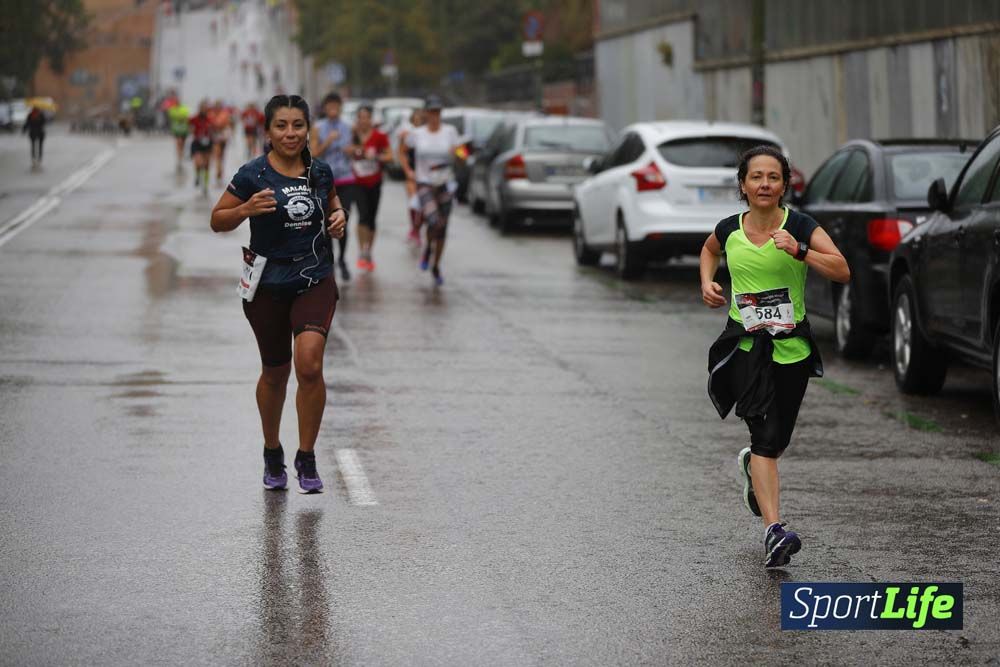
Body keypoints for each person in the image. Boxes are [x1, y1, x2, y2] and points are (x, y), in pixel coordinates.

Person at [701, 145, 850, 568]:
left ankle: (752, 466)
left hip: (792, 351)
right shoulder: (730, 227)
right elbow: (709, 249)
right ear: (743, 185)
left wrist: (800, 250)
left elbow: (842, 269)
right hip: (747, 348)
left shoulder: (800, 225)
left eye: (773, 177)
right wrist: (707, 283)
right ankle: (774, 531)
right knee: (766, 439)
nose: (764, 184)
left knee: (776, 441)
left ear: (784, 184)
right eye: (756, 177)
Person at [209, 94, 348, 494]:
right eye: (281, 126)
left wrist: (339, 217)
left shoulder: (319, 173)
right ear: (268, 131)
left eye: (298, 126)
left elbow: (335, 206)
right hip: (267, 285)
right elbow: (218, 220)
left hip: (314, 278)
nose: (290, 133)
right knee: (275, 372)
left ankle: (306, 456)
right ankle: (273, 451)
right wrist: (245, 209)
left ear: (308, 129)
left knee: (309, 365)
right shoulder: (252, 175)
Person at [399, 96, 460, 286]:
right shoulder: (417, 133)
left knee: (443, 226)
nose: (435, 116)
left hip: (445, 183)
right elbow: (401, 150)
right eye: (432, 112)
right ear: (426, 113)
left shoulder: (450, 131)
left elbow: (458, 153)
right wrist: (408, 170)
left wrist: (459, 154)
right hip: (425, 183)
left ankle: (436, 264)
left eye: (438, 112)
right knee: (434, 220)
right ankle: (427, 249)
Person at [310, 92, 355, 282]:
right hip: (325, 181)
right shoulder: (318, 128)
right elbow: (313, 153)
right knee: (327, 222)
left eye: (336, 106)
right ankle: (329, 262)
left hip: (346, 178)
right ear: (325, 108)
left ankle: (343, 259)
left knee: (343, 218)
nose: (333, 110)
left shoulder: (347, 127)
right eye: (329, 106)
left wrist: (352, 151)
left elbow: (354, 151)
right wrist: (328, 141)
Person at [346, 104, 392, 272]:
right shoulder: (351, 136)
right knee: (362, 215)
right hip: (357, 181)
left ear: (371, 119)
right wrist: (353, 150)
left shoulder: (379, 136)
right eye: (360, 117)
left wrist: (377, 156)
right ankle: (362, 251)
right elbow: (344, 150)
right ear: (357, 119)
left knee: (372, 218)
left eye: (366, 117)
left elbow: (389, 155)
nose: (363, 121)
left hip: (375, 181)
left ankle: (369, 251)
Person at [397, 108, 425, 243]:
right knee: (414, 202)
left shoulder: (429, 134)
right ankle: (415, 229)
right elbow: (401, 153)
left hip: (427, 174)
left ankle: (419, 227)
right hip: (413, 173)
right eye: (416, 119)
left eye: (421, 119)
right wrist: (408, 170)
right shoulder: (409, 135)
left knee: (425, 205)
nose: (418, 121)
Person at [189, 100, 214, 195]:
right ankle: (198, 175)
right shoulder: (194, 118)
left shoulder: (209, 119)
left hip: (207, 144)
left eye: (205, 108)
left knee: (207, 165)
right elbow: (190, 126)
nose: (204, 110)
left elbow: (214, 129)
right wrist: (193, 131)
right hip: (197, 143)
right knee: (199, 163)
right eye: (202, 108)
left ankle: (206, 185)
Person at [210, 99, 233, 185]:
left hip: (222, 136)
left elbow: (228, 125)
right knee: (217, 155)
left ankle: (220, 171)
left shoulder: (224, 114)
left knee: (221, 155)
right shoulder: (212, 114)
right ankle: (219, 171)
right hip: (216, 137)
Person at [167, 99, 191, 170]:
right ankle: (179, 158)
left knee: (182, 145)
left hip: (184, 129)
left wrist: (179, 117)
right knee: (178, 143)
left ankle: (181, 156)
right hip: (176, 130)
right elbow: (172, 115)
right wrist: (180, 117)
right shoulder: (173, 109)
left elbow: (185, 116)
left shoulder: (184, 108)